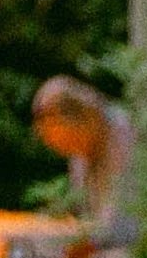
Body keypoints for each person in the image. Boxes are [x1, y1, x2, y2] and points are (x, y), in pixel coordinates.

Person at [30, 75, 138, 246]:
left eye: (69, 140)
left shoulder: (125, 138)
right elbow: (82, 215)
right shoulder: (80, 152)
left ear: (88, 116)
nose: (69, 150)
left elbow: (119, 222)